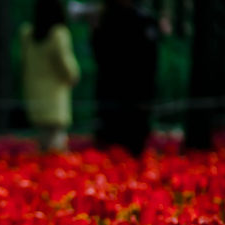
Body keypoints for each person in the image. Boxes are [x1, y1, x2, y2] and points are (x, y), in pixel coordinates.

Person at [92, 0, 159, 156]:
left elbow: (150, 62)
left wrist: (148, 96)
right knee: (109, 147)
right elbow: (100, 56)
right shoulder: (107, 18)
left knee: (133, 145)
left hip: (136, 96)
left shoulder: (144, 20)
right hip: (110, 95)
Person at [20, 0, 80, 152]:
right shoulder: (58, 34)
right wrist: (73, 77)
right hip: (55, 98)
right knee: (56, 147)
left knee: (42, 143)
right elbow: (67, 67)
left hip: (34, 97)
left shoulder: (27, 34)